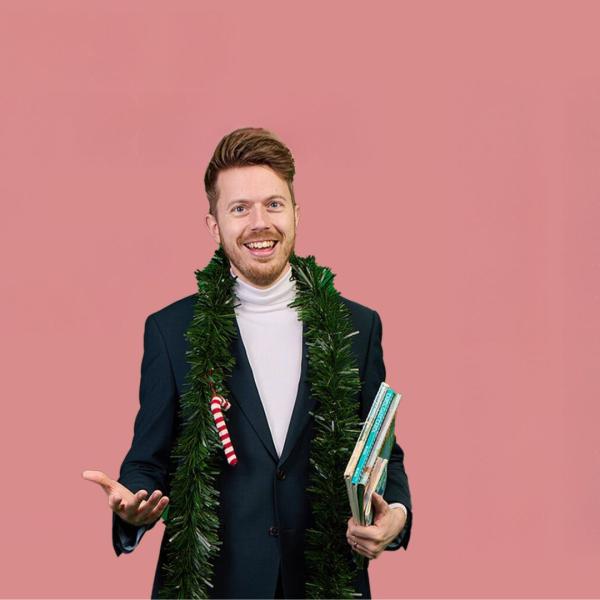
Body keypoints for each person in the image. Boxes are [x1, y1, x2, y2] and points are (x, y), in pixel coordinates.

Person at [83, 127, 413, 599]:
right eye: (240, 208)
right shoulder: (171, 330)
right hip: (215, 586)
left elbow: (384, 457)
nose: (260, 223)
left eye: (274, 205)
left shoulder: (357, 327)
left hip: (327, 583)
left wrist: (395, 516)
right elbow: (146, 461)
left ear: (296, 214)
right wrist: (131, 505)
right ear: (215, 225)